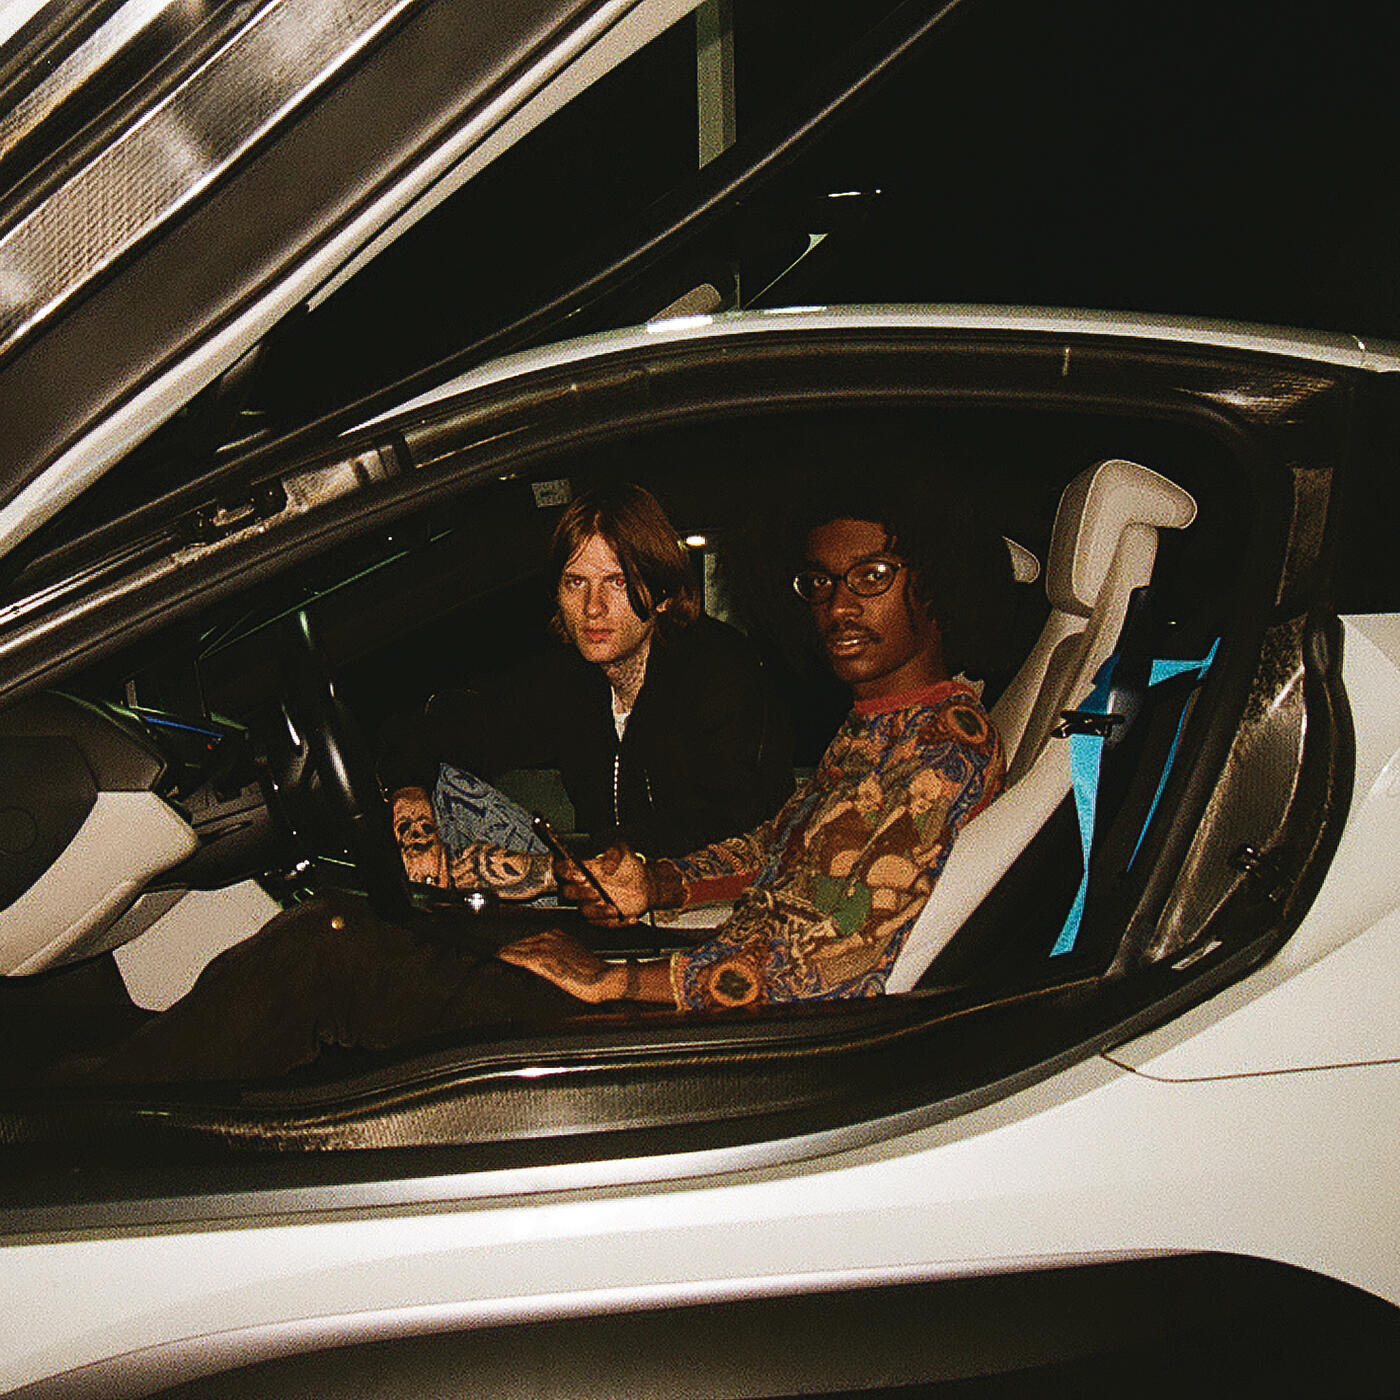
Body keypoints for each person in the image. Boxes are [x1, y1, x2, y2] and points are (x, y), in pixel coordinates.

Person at [84, 476, 1011, 1081]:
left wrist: (614, 979)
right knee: (367, 931)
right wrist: (657, 883)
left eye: (872, 576)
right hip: (691, 973)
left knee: (326, 950)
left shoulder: (934, 752)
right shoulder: (881, 728)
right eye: (820, 584)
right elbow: (773, 847)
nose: (839, 605)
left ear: (935, 581)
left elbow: (820, 972)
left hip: (716, 1045)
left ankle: (94, 1128)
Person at [380, 482, 794, 901]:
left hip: (701, 898)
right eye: (576, 582)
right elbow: (439, 732)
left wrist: (553, 870)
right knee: (443, 785)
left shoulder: (718, 668)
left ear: (662, 594)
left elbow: (732, 825)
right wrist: (411, 805)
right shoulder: (572, 677)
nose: (593, 607)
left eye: (617, 582)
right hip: (597, 893)